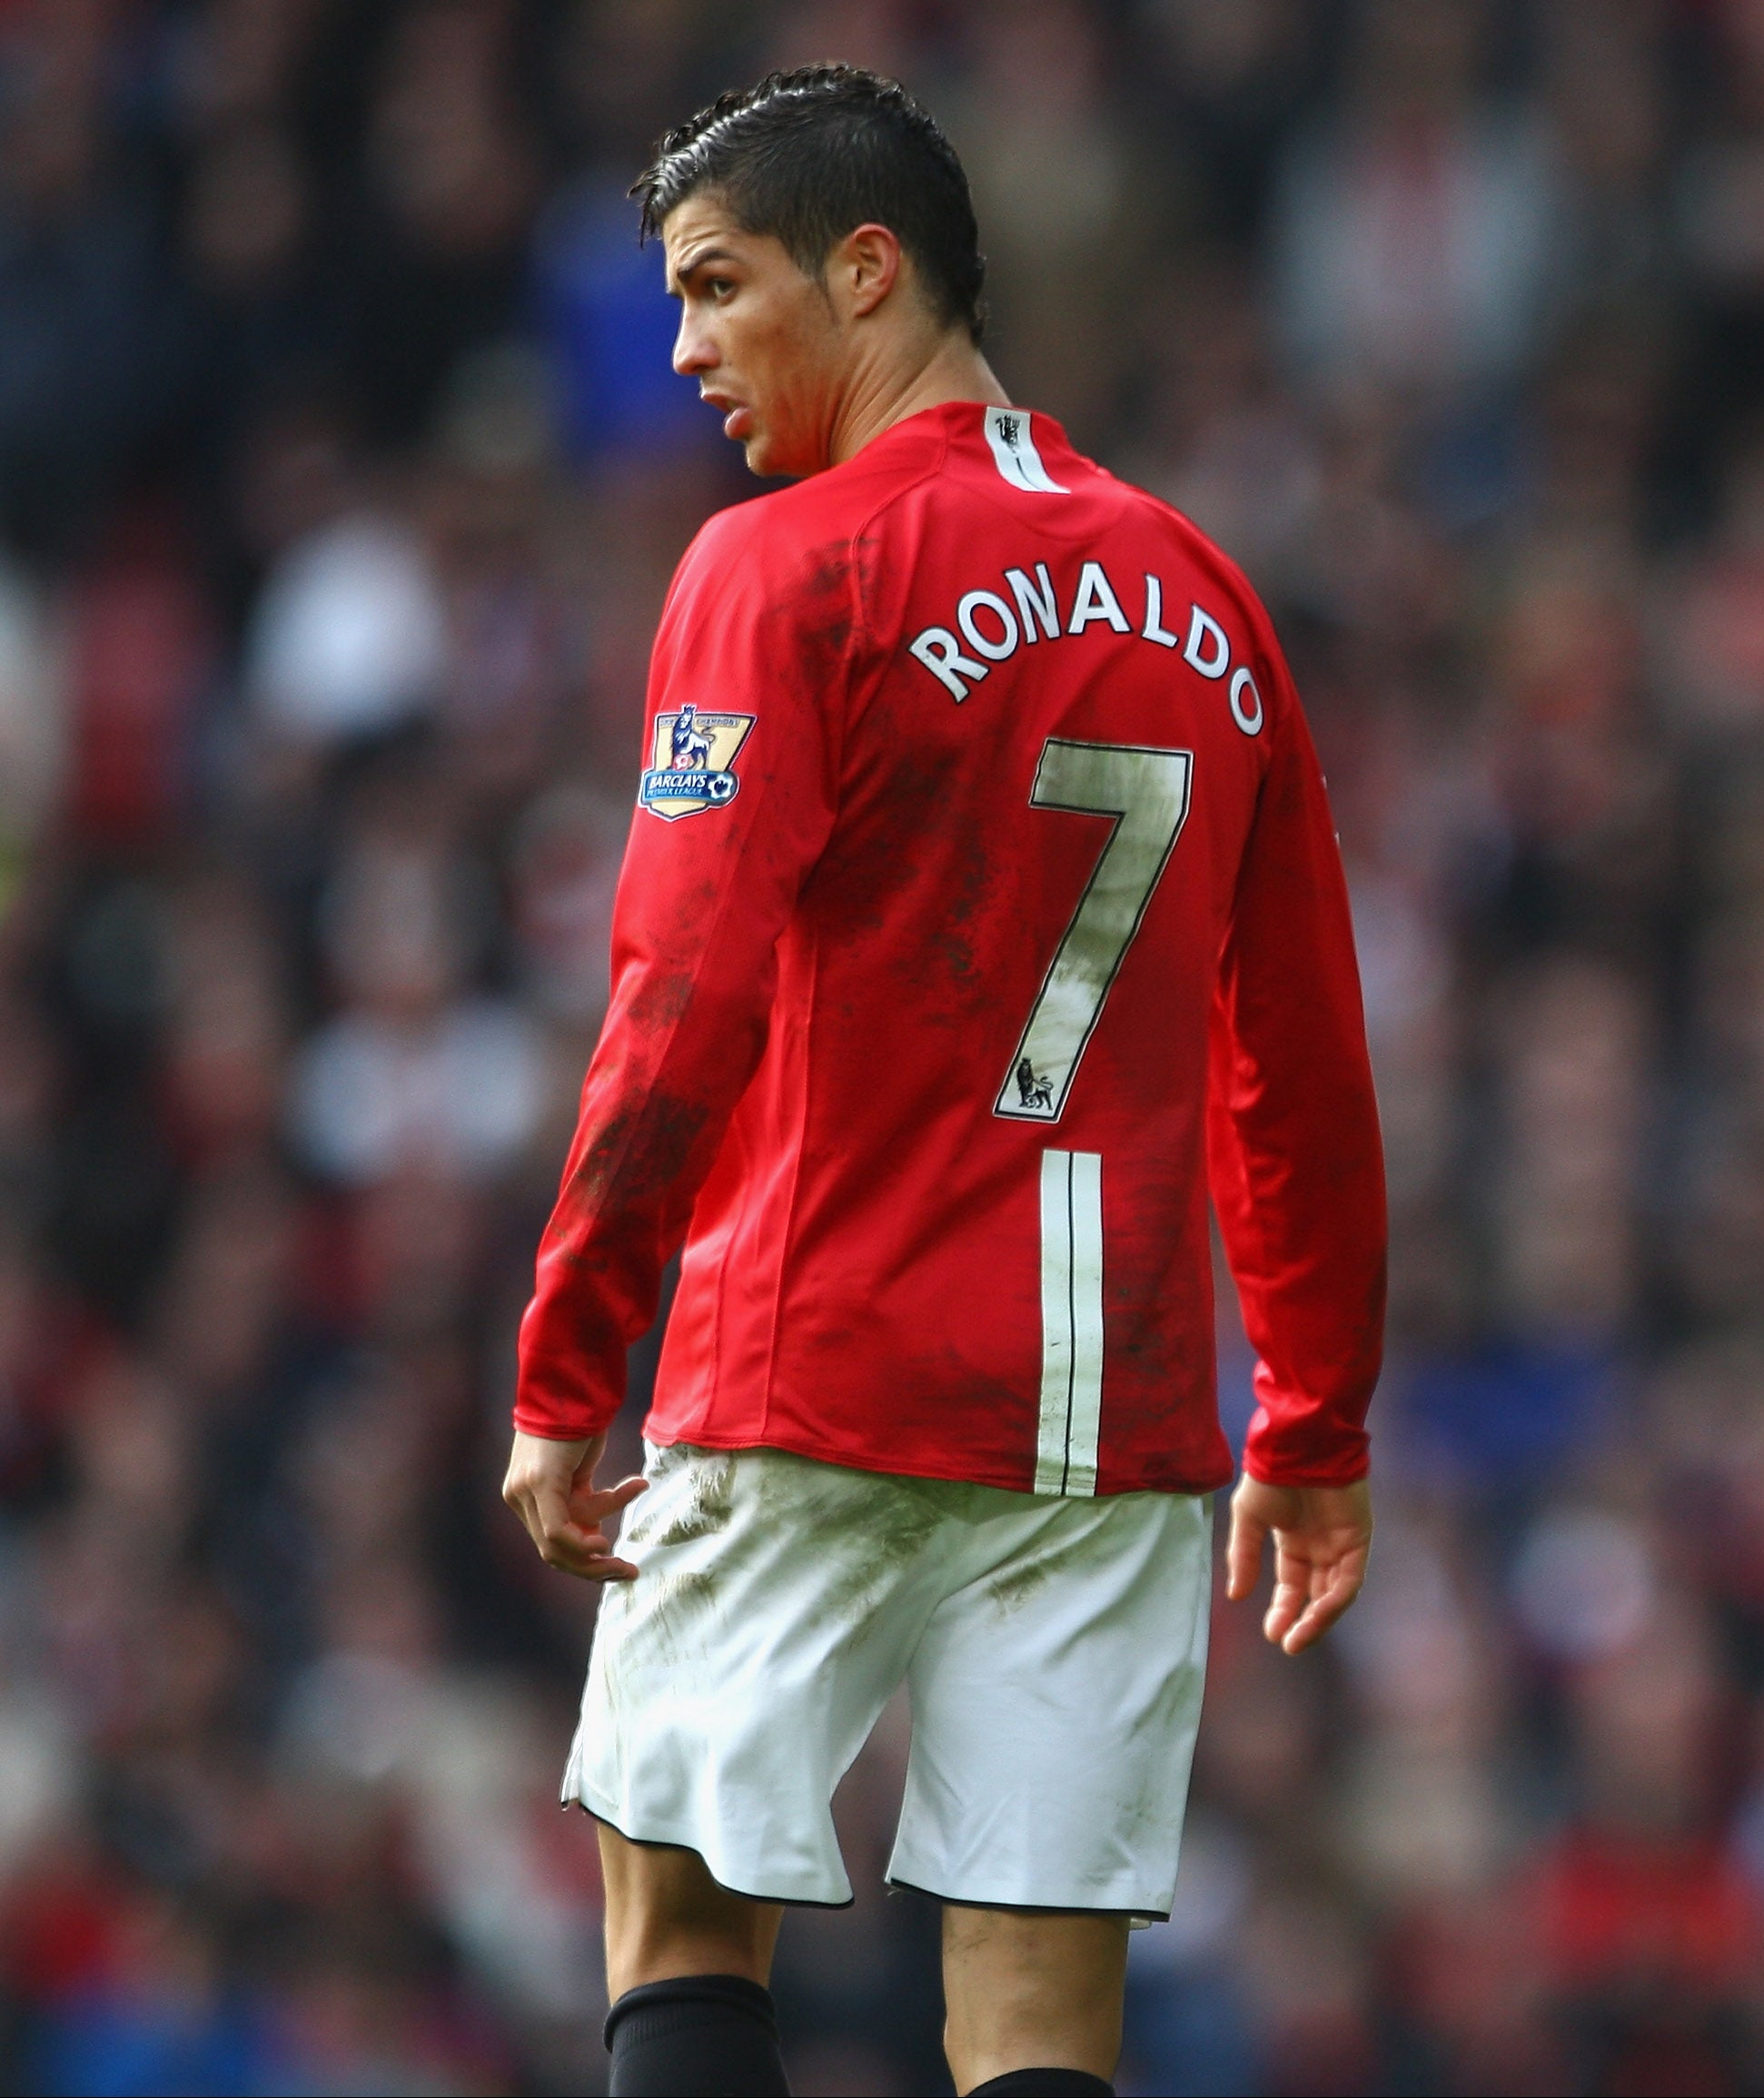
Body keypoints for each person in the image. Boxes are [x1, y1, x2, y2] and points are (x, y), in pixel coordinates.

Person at [500, 66, 1385, 2098]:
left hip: (817, 1359)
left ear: (867, 266)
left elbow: (676, 1004)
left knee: (682, 1904)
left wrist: (569, 1369)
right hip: (1119, 1418)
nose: (684, 347)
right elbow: (1304, 1061)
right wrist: (1311, 1424)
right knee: (1042, 2014)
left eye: (720, 288)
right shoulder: (1205, 592)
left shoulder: (780, 567)